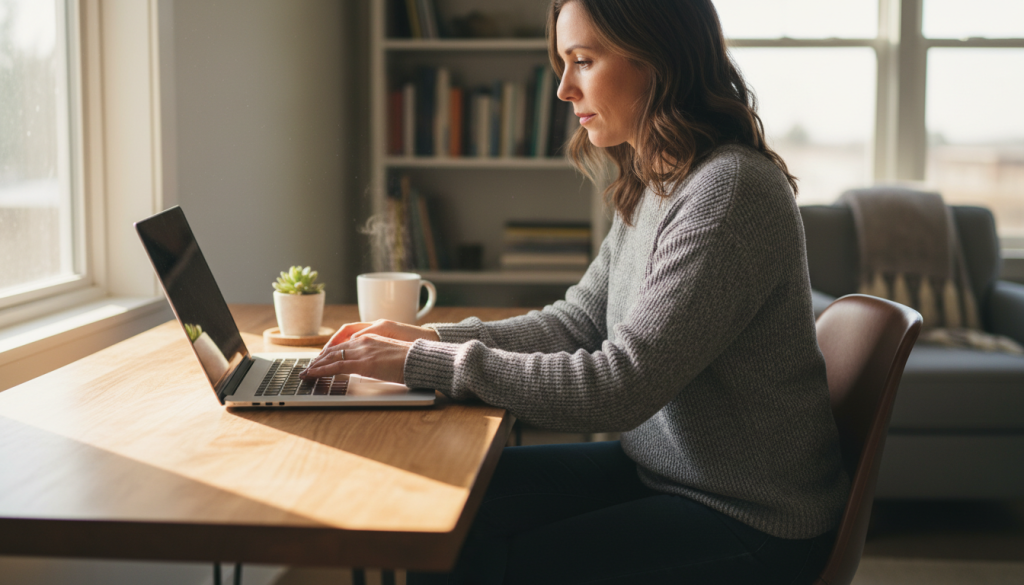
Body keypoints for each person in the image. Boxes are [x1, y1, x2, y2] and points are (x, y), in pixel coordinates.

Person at [301, 0, 849, 582]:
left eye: (583, 61)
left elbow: (620, 386)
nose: (563, 89)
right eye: (563, 63)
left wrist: (423, 362)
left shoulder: (728, 192)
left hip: (749, 519)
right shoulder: (658, 176)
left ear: (658, 59)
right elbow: (578, 321)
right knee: (447, 502)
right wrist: (429, 338)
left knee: (476, 555)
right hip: (662, 471)